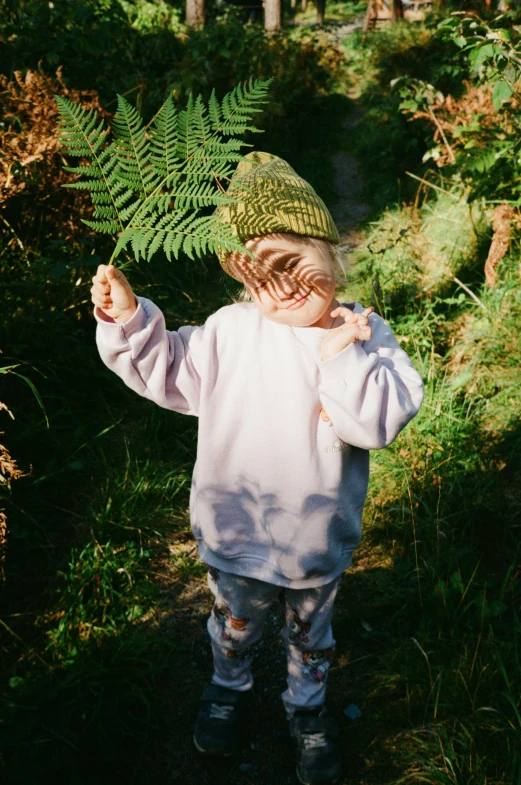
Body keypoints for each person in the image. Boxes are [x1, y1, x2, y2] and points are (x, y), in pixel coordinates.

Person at [90, 152, 424, 785]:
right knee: (234, 626)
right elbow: (165, 371)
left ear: (330, 247)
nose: (283, 285)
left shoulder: (362, 333)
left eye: (295, 261)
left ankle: (307, 710)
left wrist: (340, 358)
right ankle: (228, 686)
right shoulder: (228, 333)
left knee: (311, 640)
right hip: (236, 535)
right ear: (242, 282)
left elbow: (374, 424)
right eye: (259, 275)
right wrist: (130, 317)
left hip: (316, 545)